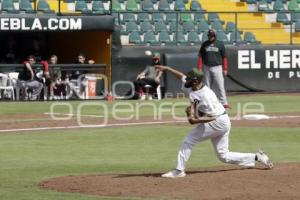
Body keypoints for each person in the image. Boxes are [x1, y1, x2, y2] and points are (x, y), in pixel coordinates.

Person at [155, 65, 273, 178]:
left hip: (217, 121)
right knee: (223, 156)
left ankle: (179, 170)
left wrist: (193, 119)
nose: (186, 79)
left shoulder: (206, 96)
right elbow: (181, 76)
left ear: (195, 81)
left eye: (189, 79)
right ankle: (256, 157)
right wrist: (167, 68)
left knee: (188, 141)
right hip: (222, 119)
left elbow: (208, 117)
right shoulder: (192, 85)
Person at [198, 29, 229, 108]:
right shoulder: (205, 44)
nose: (210, 37)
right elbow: (200, 57)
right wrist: (199, 68)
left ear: (215, 36)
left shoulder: (220, 44)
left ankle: (224, 103)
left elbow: (224, 57)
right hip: (206, 67)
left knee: (220, 86)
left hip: (217, 67)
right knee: (207, 87)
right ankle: (207, 102)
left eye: (212, 36)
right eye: (209, 35)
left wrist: (225, 68)